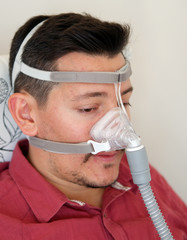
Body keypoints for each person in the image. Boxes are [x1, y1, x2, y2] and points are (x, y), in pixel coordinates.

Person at [0, 13, 186, 240]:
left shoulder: (141, 179)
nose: (119, 129)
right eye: (88, 108)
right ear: (25, 114)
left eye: (123, 102)